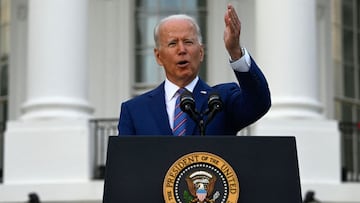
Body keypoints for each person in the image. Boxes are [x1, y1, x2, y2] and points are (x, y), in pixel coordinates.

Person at [118, 4, 271, 136]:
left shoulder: (221, 101)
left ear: (201, 52)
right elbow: (125, 163)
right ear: (158, 56)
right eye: (172, 43)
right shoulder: (135, 111)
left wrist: (235, 51)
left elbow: (259, 103)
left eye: (188, 42)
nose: (182, 49)